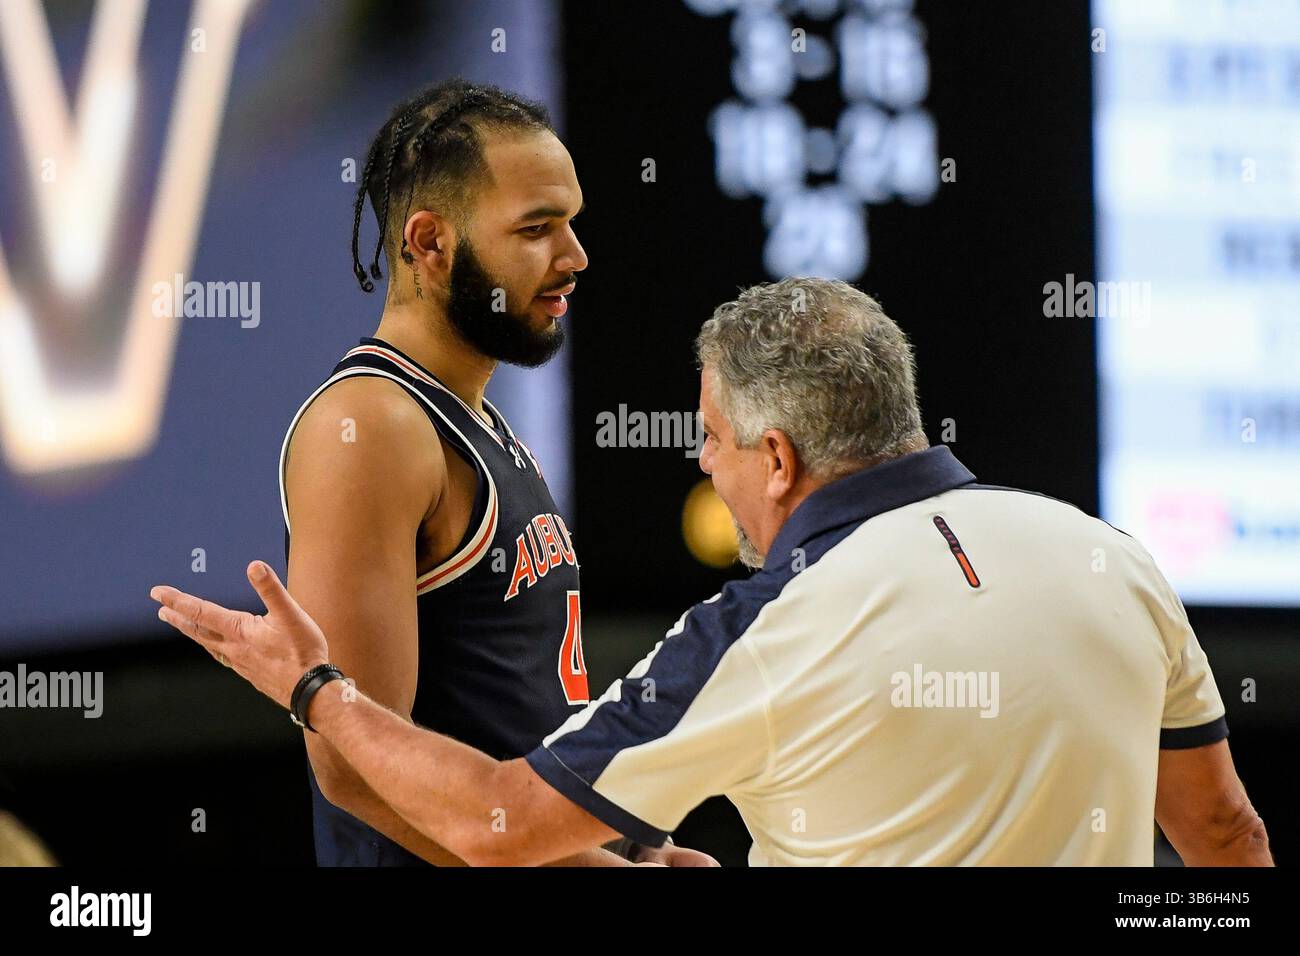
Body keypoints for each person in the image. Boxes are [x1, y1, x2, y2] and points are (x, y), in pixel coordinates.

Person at [155, 277, 1272, 866]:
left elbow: (493, 823)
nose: (701, 460)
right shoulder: (1113, 558)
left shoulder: (771, 624)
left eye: (711, 436)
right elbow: (1223, 836)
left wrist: (318, 692)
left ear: (776, 458)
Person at [278, 77, 709, 867]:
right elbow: (352, 760)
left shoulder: (481, 423)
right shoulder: (372, 428)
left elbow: (517, 711)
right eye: (538, 228)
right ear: (431, 243)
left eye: (571, 224)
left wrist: (632, 845)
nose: (575, 257)